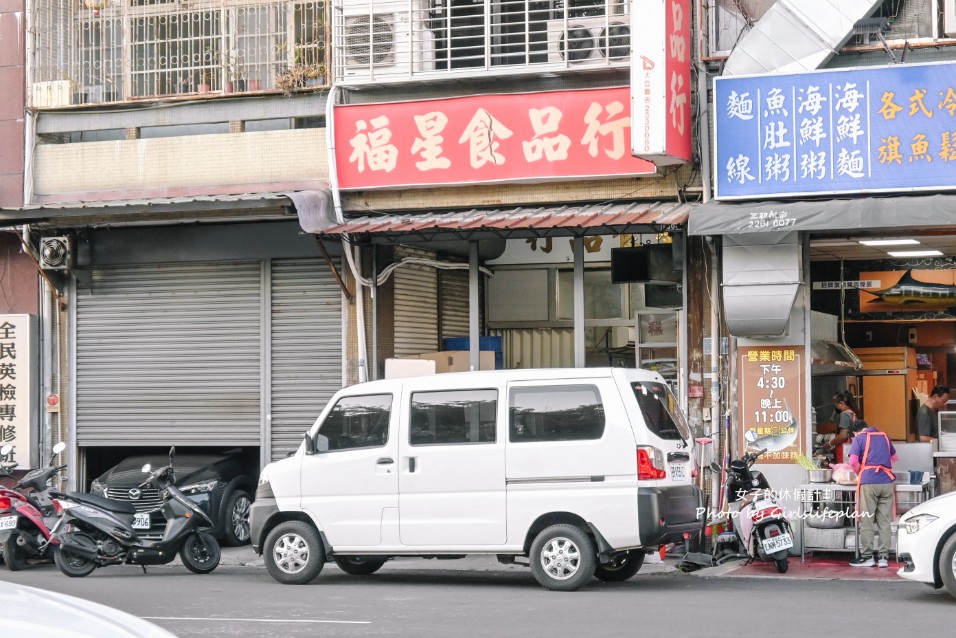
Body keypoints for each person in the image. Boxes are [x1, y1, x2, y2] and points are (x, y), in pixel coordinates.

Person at [847, 419, 898, 568]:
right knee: (884, 522)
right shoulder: (884, 436)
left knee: (867, 521)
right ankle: (883, 558)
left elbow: (852, 462)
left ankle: (868, 557)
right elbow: (894, 458)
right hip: (887, 482)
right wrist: (881, 466)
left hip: (869, 482)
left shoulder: (859, 439)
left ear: (856, 432)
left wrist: (861, 472)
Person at [828, 391, 860, 462]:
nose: (836, 408)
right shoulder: (853, 414)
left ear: (841, 403)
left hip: (845, 454)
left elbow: (843, 436)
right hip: (853, 453)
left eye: (836, 405)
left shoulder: (844, 415)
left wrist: (830, 444)